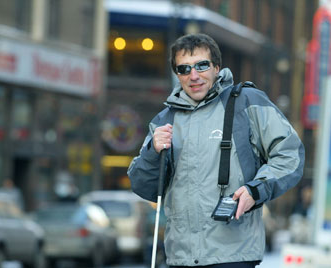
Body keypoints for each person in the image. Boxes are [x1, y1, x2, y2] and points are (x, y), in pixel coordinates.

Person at [127, 33, 305, 268]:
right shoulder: (164, 120)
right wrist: (151, 152)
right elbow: (146, 187)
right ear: (177, 74)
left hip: (233, 256)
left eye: (202, 65)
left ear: (217, 67)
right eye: (184, 68)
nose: (194, 75)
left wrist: (256, 189)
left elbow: (290, 155)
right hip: (181, 257)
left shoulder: (246, 102)